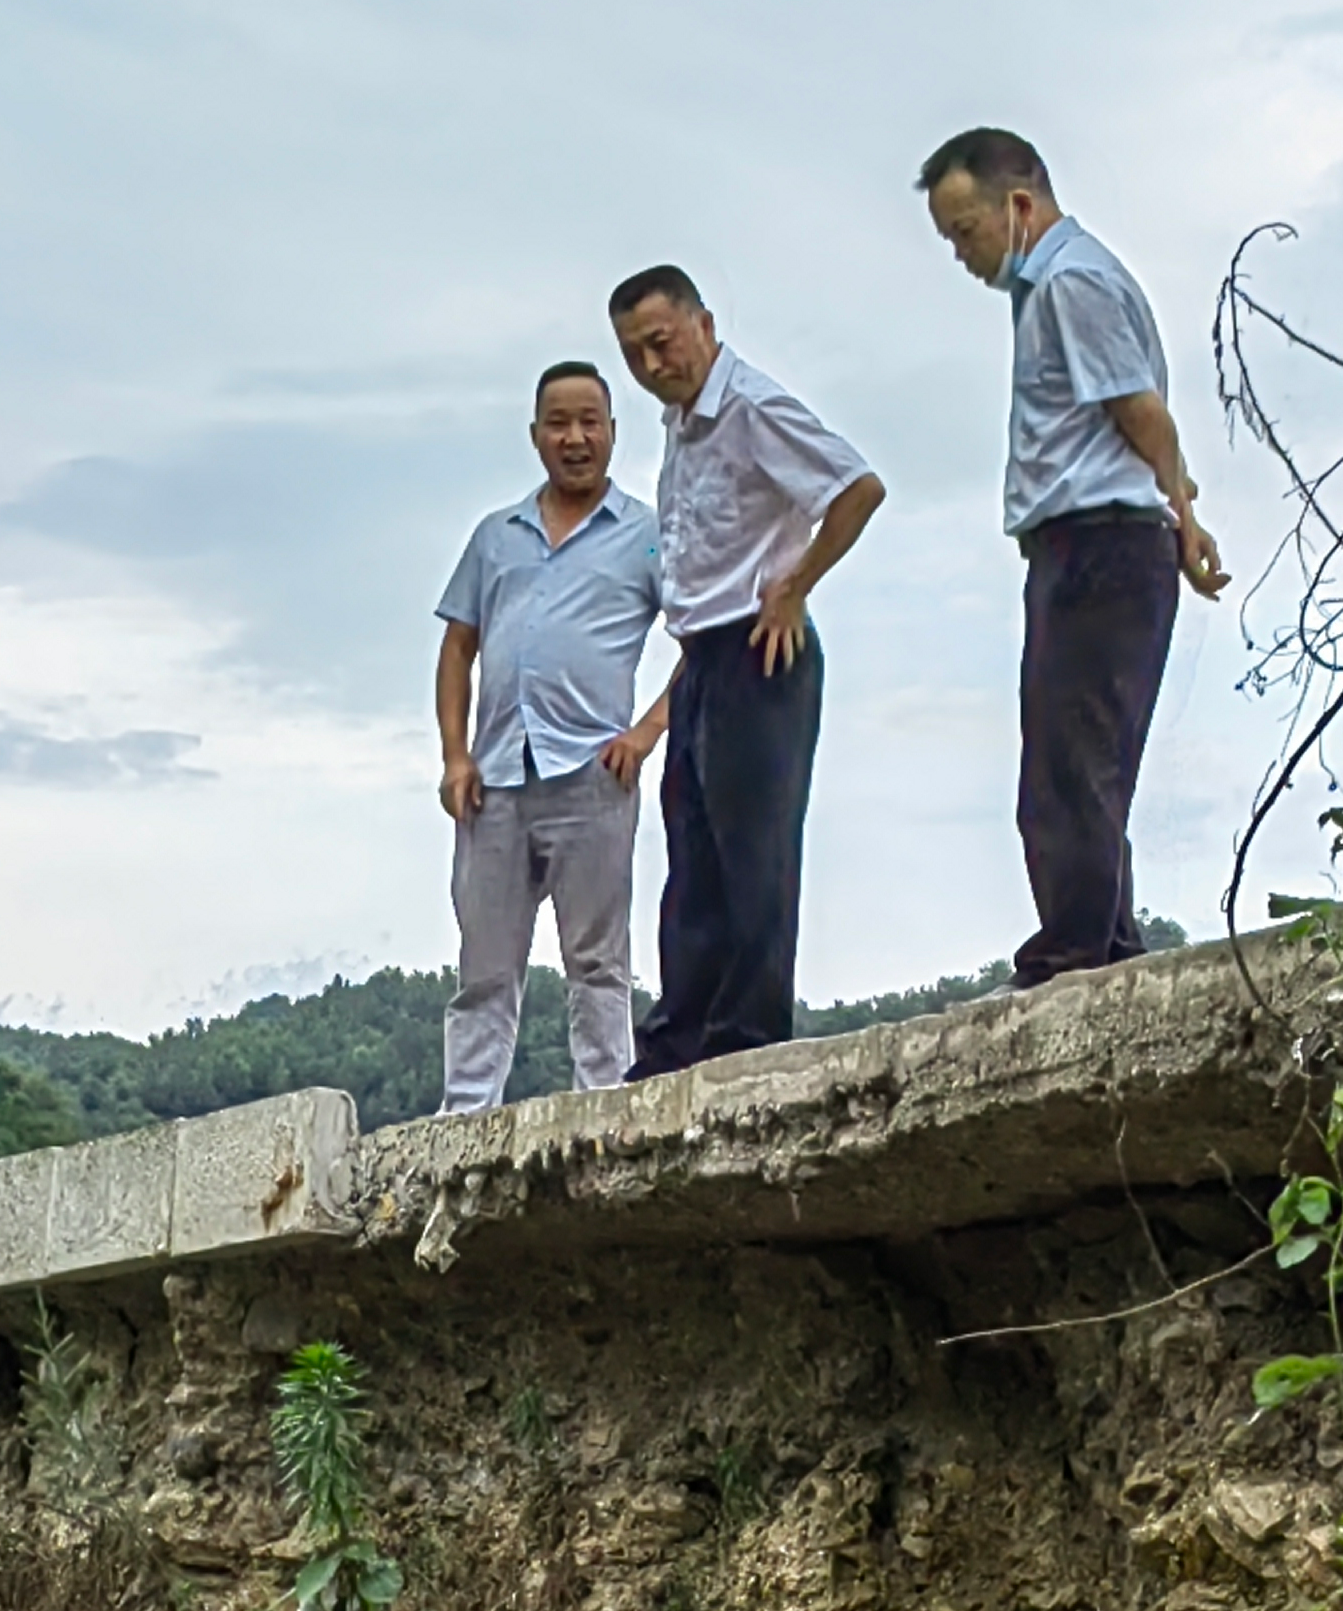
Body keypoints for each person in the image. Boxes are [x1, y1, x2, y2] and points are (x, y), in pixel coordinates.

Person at [918, 128, 1230, 988]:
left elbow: (1143, 414)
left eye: (967, 229)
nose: (962, 252)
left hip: (1101, 542)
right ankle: (1108, 946)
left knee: (1070, 768)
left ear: (1018, 206)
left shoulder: (1071, 282)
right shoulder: (1056, 286)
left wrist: (1184, 516)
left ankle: (1077, 955)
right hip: (1088, 541)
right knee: (1074, 762)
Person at [605, 265, 884, 1077]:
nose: (655, 365)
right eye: (635, 355)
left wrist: (795, 585)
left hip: (760, 648)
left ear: (703, 324)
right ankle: (680, 1034)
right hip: (700, 655)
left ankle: (747, 1033)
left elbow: (857, 487)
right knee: (691, 851)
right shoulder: (680, 422)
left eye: (662, 343)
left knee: (753, 848)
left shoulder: (751, 405)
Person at [431, 360, 666, 1112]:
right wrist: (455, 753)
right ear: (536, 436)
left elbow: (704, 633)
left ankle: (604, 1101)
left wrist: (647, 732)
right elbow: (458, 647)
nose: (575, 438)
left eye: (589, 422)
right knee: (485, 965)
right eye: (559, 423)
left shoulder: (645, 534)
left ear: (613, 433)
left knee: (596, 960)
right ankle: (467, 1108)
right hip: (496, 778)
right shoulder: (495, 536)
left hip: (594, 775)